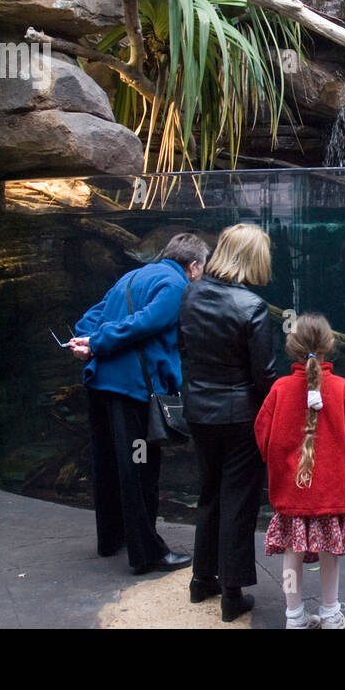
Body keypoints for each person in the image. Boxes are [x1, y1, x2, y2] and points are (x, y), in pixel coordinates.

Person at [69, 232, 210, 575]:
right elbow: (147, 322)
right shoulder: (176, 286)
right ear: (193, 266)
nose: (202, 275)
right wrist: (98, 342)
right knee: (140, 469)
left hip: (101, 385)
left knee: (108, 464)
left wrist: (86, 340)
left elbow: (90, 317)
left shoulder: (131, 276)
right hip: (133, 392)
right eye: (203, 268)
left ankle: (111, 539)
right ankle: (147, 553)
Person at [177, 223, 279, 622]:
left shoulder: (191, 294)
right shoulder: (251, 307)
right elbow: (264, 375)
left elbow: (184, 346)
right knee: (239, 500)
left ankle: (202, 579)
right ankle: (232, 594)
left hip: (199, 411)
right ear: (253, 259)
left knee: (210, 493)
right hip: (240, 418)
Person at [255, 314, 345, 630]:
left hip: (291, 492)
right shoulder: (344, 389)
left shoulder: (279, 389)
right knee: (330, 553)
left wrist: (276, 464)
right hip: (330, 491)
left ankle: (294, 616)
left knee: (292, 554)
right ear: (329, 346)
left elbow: (262, 436)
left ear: (291, 346)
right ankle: (331, 612)